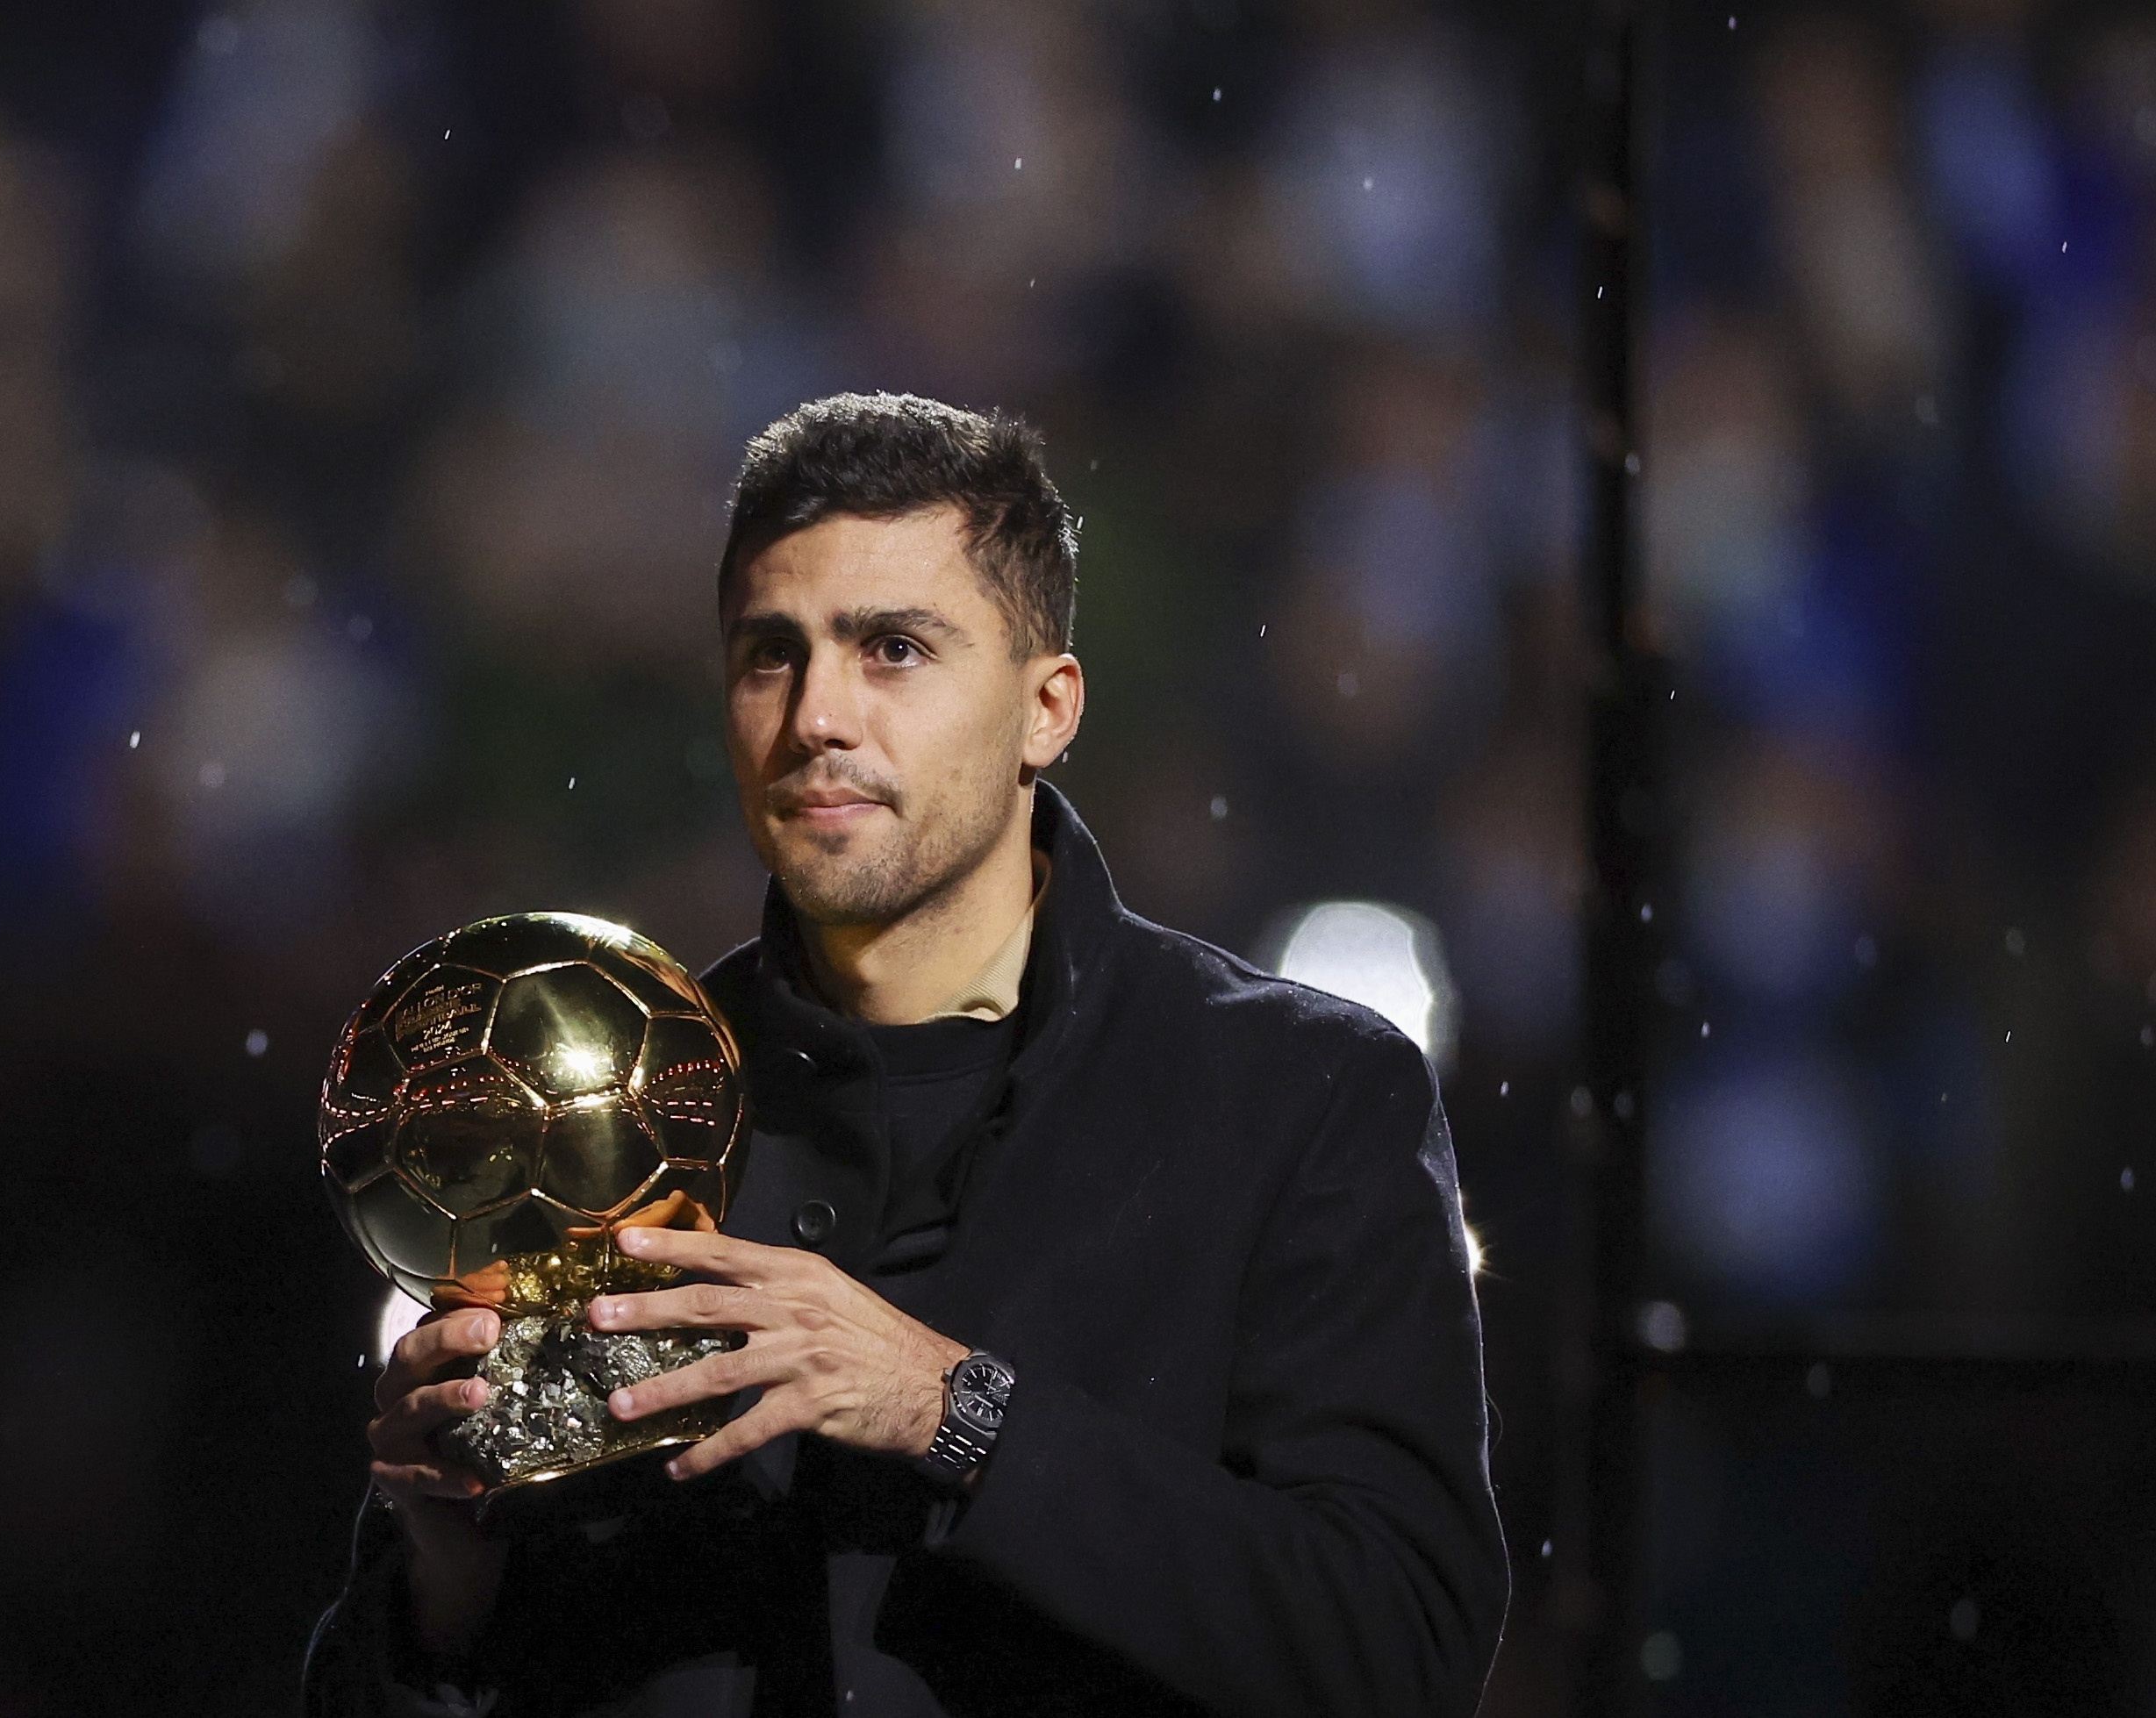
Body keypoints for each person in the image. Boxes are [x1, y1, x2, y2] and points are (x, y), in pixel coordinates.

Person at [304, 393, 1507, 1716]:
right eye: (772, 653)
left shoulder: (1299, 1094)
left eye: (891, 649)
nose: (818, 712)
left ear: (1045, 708)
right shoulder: (584, 1111)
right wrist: (444, 1586)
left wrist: (952, 1409)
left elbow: (1396, 1644)